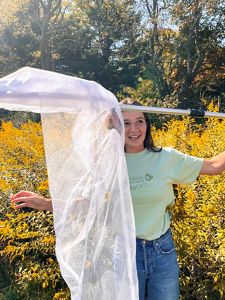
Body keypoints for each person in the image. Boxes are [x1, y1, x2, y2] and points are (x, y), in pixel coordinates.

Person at [10, 99, 225, 300]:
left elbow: (214, 166)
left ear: (147, 125)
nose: (134, 129)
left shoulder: (166, 158)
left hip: (163, 252)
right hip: (126, 252)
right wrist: (46, 203)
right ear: (116, 128)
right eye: (126, 122)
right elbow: (86, 204)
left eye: (140, 121)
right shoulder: (108, 165)